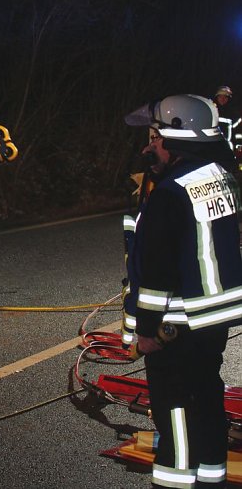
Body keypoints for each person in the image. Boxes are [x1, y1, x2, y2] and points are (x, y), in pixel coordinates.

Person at [124, 93, 242, 488]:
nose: (149, 145)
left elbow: (156, 272)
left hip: (176, 324)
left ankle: (176, 481)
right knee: (207, 400)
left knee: (174, 410)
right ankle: (211, 479)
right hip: (212, 318)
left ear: (175, 137)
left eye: (155, 136)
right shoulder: (219, 177)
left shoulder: (169, 194)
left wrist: (146, 331)